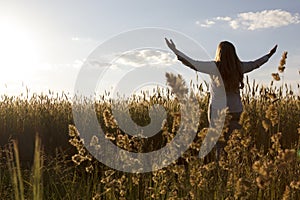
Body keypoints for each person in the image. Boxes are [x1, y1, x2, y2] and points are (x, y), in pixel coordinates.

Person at [165, 38, 277, 159]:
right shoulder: (240, 67)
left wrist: (175, 51)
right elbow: (256, 64)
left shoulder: (214, 67)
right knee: (236, 145)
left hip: (218, 113)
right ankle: (236, 170)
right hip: (236, 112)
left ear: (219, 53)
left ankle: (223, 172)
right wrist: (269, 55)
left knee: (220, 145)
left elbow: (193, 63)